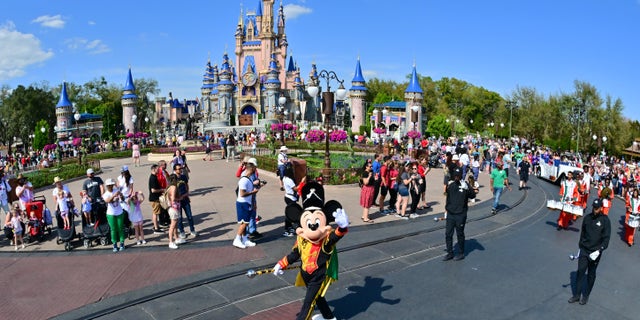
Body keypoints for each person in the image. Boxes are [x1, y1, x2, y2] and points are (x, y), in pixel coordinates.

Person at [568, 198, 611, 305]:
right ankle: (577, 295)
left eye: (597, 208)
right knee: (580, 271)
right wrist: (580, 247)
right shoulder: (587, 218)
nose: (594, 210)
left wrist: (599, 250)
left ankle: (586, 295)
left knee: (591, 274)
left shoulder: (605, 221)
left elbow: (606, 239)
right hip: (584, 249)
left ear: (601, 208)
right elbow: (583, 233)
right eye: (593, 207)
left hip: (595, 253)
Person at [443, 167, 477, 261]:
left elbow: (473, 195)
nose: (456, 177)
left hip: (460, 214)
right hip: (451, 213)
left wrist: (468, 189)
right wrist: (446, 211)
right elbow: (448, 199)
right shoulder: (451, 185)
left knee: (459, 234)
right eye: (455, 175)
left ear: (461, 175)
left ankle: (461, 253)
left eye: (458, 175)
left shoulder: (465, 185)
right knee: (448, 234)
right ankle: (450, 252)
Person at [233, 159, 260, 249]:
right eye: (255, 168)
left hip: (246, 202)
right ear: (251, 169)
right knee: (244, 223)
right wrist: (253, 192)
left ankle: (244, 239)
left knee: (246, 222)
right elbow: (242, 193)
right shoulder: (244, 180)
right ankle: (237, 239)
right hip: (243, 203)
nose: (255, 170)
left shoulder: (248, 178)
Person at [175, 164, 197, 241]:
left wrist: (187, 193)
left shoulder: (183, 177)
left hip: (185, 199)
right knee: (180, 218)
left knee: (190, 216)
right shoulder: (173, 178)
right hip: (178, 201)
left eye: (180, 168)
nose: (179, 170)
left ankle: (192, 229)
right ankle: (181, 231)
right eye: (178, 169)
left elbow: (186, 185)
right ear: (175, 170)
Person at [103, 178, 126, 252]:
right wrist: (113, 196)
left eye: (111, 185)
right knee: (113, 229)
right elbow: (108, 201)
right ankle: (115, 244)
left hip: (119, 212)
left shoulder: (117, 190)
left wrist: (121, 196)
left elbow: (122, 199)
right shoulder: (105, 194)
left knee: (120, 228)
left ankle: (122, 243)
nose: (111, 186)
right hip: (111, 214)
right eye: (109, 185)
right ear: (107, 186)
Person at [282, 163, 306, 235]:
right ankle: (287, 228)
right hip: (290, 198)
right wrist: (302, 181)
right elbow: (296, 189)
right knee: (290, 213)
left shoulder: (284, 178)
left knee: (291, 212)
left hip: (288, 196)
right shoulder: (289, 180)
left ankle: (289, 227)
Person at [148, 164, 165, 234]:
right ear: (154, 169)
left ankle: (156, 226)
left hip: (154, 198)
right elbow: (153, 190)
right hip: (154, 199)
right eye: (157, 169)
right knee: (155, 213)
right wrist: (161, 190)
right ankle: (156, 228)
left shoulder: (154, 177)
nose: (158, 170)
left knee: (155, 213)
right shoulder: (153, 178)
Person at [166, 174, 181, 249]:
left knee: (174, 224)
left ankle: (176, 238)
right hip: (174, 208)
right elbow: (173, 199)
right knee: (172, 225)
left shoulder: (168, 187)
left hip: (171, 208)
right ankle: (171, 242)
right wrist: (180, 198)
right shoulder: (174, 187)